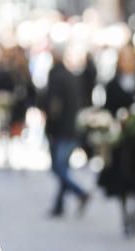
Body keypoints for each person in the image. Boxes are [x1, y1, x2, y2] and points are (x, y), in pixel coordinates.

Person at [98, 44, 135, 236]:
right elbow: (107, 110)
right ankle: (126, 215)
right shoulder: (112, 84)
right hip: (120, 141)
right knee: (122, 179)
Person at [43, 45, 89, 218]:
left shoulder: (57, 77)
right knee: (63, 167)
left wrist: (51, 121)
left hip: (61, 130)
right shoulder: (71, 76)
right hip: (71, 128)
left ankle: (80, 192)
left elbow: (54, 105)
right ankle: (59, 205)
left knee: (59, 167)